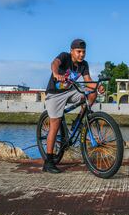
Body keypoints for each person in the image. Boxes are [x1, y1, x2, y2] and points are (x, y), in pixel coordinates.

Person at [43, 39, 105, 173]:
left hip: (71, 91)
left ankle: (79, 119)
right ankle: (48, 162)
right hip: (55, 94)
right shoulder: (65, 57)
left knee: (92, 94)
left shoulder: (84, 65)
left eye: (84, 52)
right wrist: (56, 73)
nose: (81, 54)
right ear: (72, 51)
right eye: (79, 52)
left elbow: (88, 81)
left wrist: (98, 87)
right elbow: (54, 63)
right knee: (55, 123)